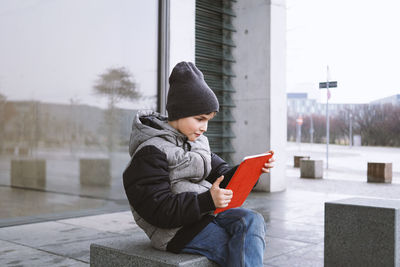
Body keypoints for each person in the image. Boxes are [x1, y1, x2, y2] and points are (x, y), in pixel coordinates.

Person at [123, 61, 275, 267]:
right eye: (199, 119)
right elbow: (158, 210)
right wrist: (207, 201)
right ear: (179, 112)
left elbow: (222, 174)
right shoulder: (151, 152)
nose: (204, 127)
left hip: (207, 214)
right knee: (237, 246)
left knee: (253, 220)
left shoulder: (196, 142)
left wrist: (251, 171)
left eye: (208, 120)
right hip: (177, 231)